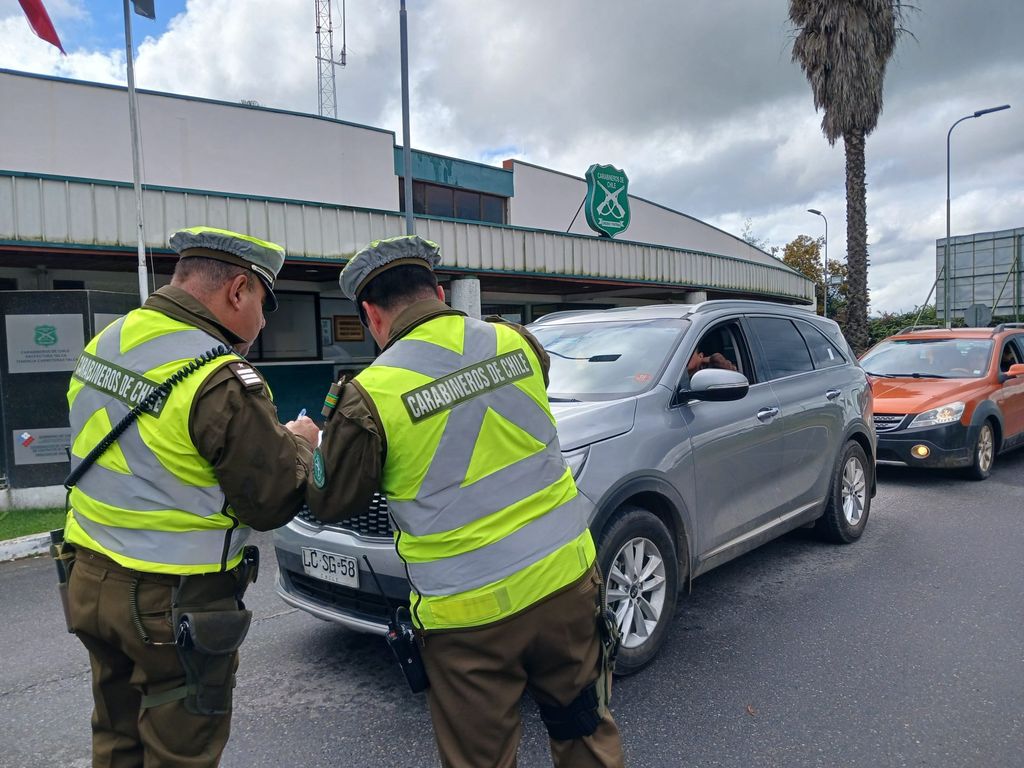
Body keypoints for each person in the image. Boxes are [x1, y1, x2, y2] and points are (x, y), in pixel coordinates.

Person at [307, 235, 624, 768]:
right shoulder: (516, 342)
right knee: (584, 732)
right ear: (439, 292)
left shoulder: (369, 394)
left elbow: (330, 500)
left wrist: (306, 446)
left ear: (370, 314)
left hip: (468, 618)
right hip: (565, 585)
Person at [62, 226, 319, 767]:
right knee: (181, 753)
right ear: (238, 290)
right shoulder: (217, 376)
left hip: (89, 579)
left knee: (115, 738)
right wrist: (300, 443)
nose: (263, 323)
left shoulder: (109, 340)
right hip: (170, 602)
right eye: (264, 306)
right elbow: (272, 501)